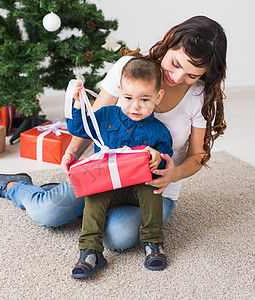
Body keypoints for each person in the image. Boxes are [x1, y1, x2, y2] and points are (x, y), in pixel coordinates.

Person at [0, 14, 227, 274]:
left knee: (117, 235)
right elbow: (96, 118)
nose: (177, 76)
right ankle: (15, 186)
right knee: (47, 213)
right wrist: (73, 151)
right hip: (104, 175)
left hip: (154, 190)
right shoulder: (130, 67)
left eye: (192, 74)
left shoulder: (199, 96)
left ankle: (83, 210)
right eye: (174, 64)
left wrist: (173, 174)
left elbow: (197, 155)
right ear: (171, 42)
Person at [67, 57, 173, 278]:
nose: (135, 106)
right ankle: (91, 250)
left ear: (158, 96)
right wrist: (77, 103)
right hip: (107, 184)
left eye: (145, 99)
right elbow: (79, 128)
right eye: (128, 98)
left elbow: (165, 162)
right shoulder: (106, 115)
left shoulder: (159, 131)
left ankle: (153, 243)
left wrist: (157, 158)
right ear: (119, 91)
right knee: (93, 197)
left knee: (152, 191)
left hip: (138, 187)